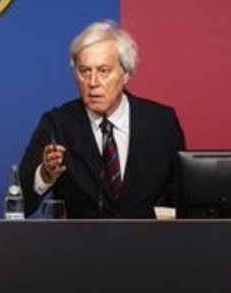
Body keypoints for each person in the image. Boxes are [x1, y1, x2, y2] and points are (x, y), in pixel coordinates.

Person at [18, 20, 186, 218]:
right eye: (85, 71)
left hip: (147, 237)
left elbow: (182, 200)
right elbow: (21, 204)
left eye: (103, 71)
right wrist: (45, 176)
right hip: (81, 238)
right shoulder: (57, 124)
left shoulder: (161, 123)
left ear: (125, 74)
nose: (93, 82)